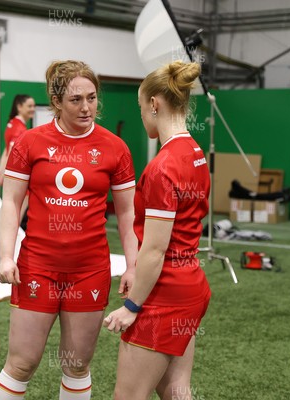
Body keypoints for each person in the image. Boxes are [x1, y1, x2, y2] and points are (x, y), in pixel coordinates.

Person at [0, 60, 137, 400]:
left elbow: (128, 211)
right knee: (21, 363)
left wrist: (132, 265)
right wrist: (5, 257)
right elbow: (11, 203)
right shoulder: (30, 142)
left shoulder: (115, 148)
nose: (86, 107)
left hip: (89, 271)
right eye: (76, 100)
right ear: (56, 102)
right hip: (36, 268)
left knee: (75, 365)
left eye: (92, 97)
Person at [103, 61, 211, 400]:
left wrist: (132, 307)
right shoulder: (196, 153)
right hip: (191, 287)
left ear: (154, 104)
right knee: (176, 390)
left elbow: (155, 250)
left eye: (140, 107)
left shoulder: (163, 166)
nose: (141, 115)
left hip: (164, 295)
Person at [0, 94, 36, 188]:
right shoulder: (19, 128)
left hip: (14, 178)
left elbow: (6, 151)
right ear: (19, 107)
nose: (33, 109)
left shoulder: (12, 124)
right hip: (18, 180)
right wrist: (2, 177)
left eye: (33, 106)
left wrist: (1, 174)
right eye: (29, 106)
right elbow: (11, 152)